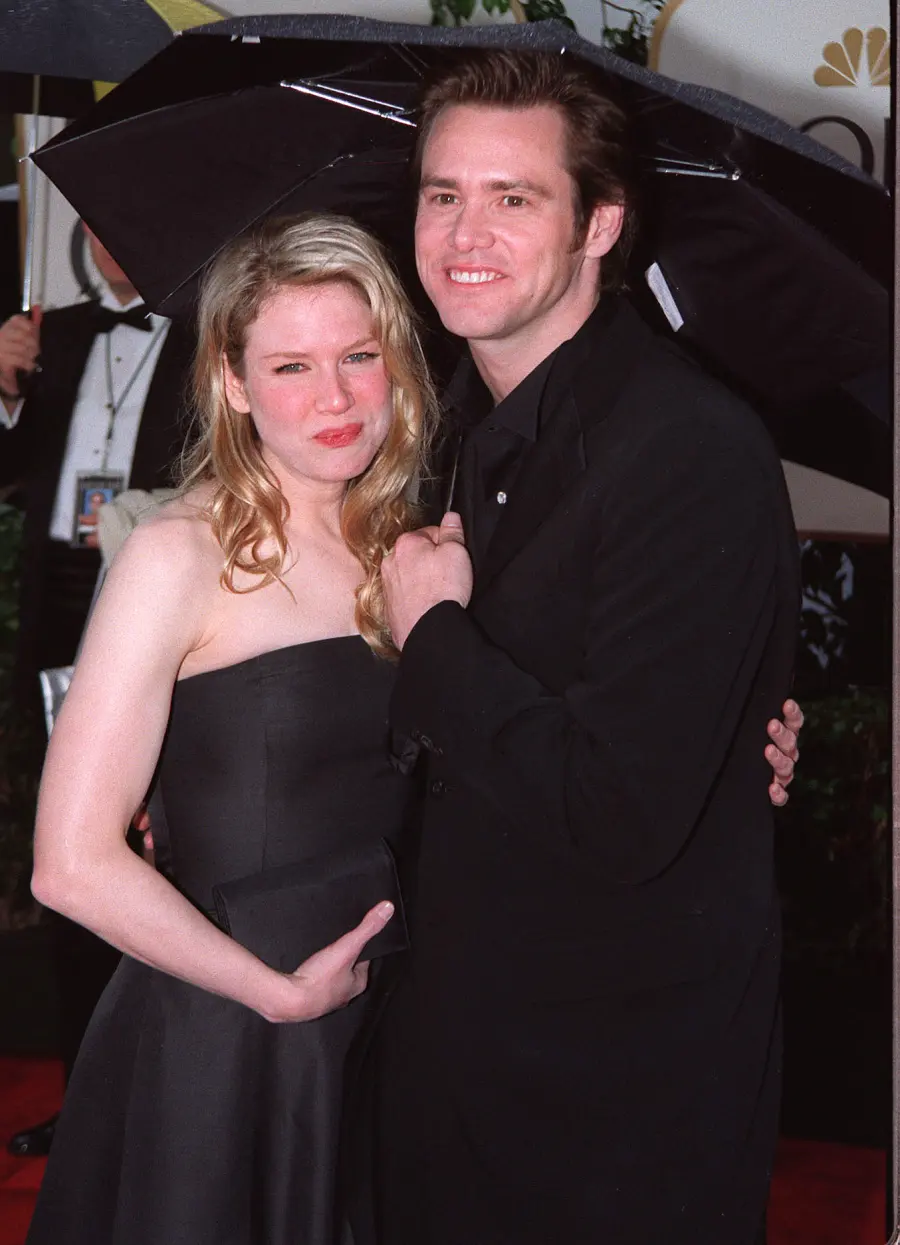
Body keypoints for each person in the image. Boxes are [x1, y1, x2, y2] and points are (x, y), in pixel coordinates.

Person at [372, 51, 803, 1245]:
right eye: (443, 194)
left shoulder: (687, 446)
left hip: (610, 1098)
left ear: (599, 225)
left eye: (514, 198)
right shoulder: (434, 432)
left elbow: (620, 809)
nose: (465, 233)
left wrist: (435, 634)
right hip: (440, 1049)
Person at [24, 212, 435, 1245]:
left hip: (394, 1028)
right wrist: (275, 994)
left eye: (358, 356)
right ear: (234, 382)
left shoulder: (417, 550)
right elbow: (69, 864)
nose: (334, 397)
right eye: (291, 366)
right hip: (229, 1033)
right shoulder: (179, 555)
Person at [1, 222, 196, 1158]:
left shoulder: (209, 331)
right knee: (71, 849)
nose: (117, 236)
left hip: (154, 600)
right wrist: (5, 390)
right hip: (58, 607)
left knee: (160, 853)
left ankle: (162, 1101)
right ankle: (83, 1100)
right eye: (100, 223)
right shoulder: (54, 332)